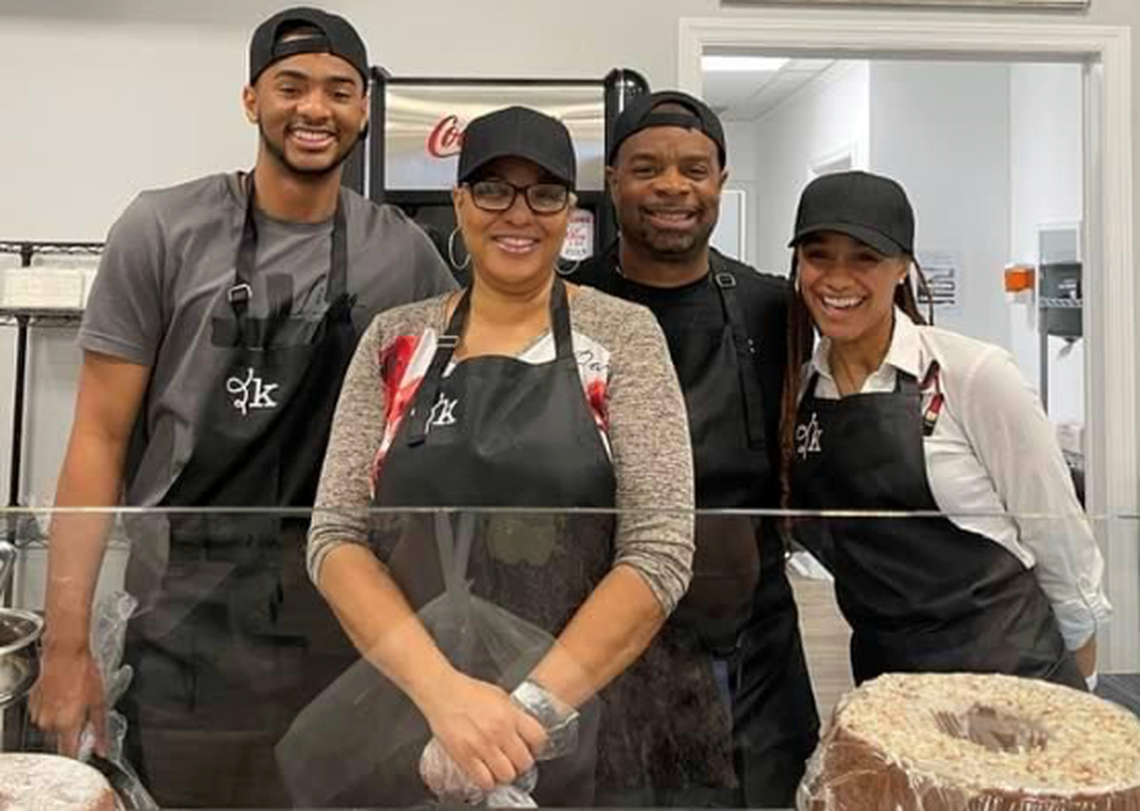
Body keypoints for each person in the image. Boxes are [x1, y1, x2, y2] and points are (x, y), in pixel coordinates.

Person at [29, 7, 455, 807]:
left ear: (364, 108)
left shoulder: (403, 253)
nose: (314, 109)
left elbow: (438, 437)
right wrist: (66, 643)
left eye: (338, 90)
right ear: (251, 99)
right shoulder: (162, 228)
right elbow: (96, 436)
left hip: (347, 614)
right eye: (290, 86)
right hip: (185, 616)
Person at [305, 105, 733, 806]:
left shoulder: (622, 336)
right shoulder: (395, 341)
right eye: (493, 189)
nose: (519, 213)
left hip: (585, 722)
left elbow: (659, 550)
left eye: (545, 193)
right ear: (459, 202)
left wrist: (527, 713)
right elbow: (335, 536)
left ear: (572, 212)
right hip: (411, 720)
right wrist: (446, 698)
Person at [569, 90, 819, 808]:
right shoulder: (568, 307)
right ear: (613, 179)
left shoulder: (772, 307)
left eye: (694, 169)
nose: (673, 187)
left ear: (720, 181)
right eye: (647, 169)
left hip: (754, 635)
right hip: (605, 628)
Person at [782, 170, 1111, 690]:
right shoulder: (799, 395)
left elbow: (1058, 534)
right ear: (798, 264)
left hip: (1012, 673)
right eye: (819, 255)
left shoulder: (973, 375)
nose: (837, 279)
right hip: (888, 684)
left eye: (865, 257)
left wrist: (1082, 681)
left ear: (902, 268)